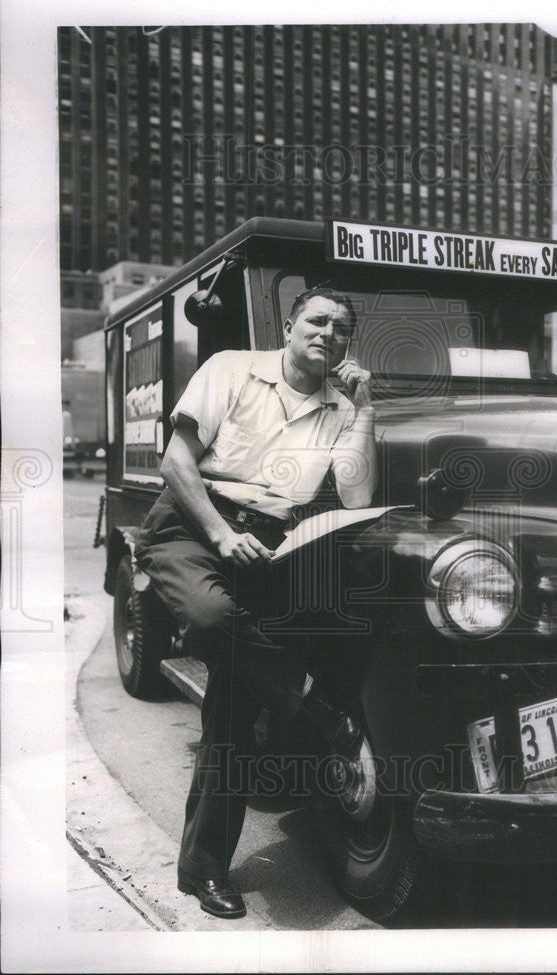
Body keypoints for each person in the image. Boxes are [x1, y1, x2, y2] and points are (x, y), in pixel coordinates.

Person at [134, 286, 376, 919]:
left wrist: (367, 410)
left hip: (268, 542)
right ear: (289, 325)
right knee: (212, 619)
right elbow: (176, 461)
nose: (328, 333)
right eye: (317, 321)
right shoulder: (232, 369)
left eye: (342, 328)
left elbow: (355, 498)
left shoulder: (341, 408)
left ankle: (202, 867)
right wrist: (219, 532)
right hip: (191, 525)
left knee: (234, 710)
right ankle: (310, 703)